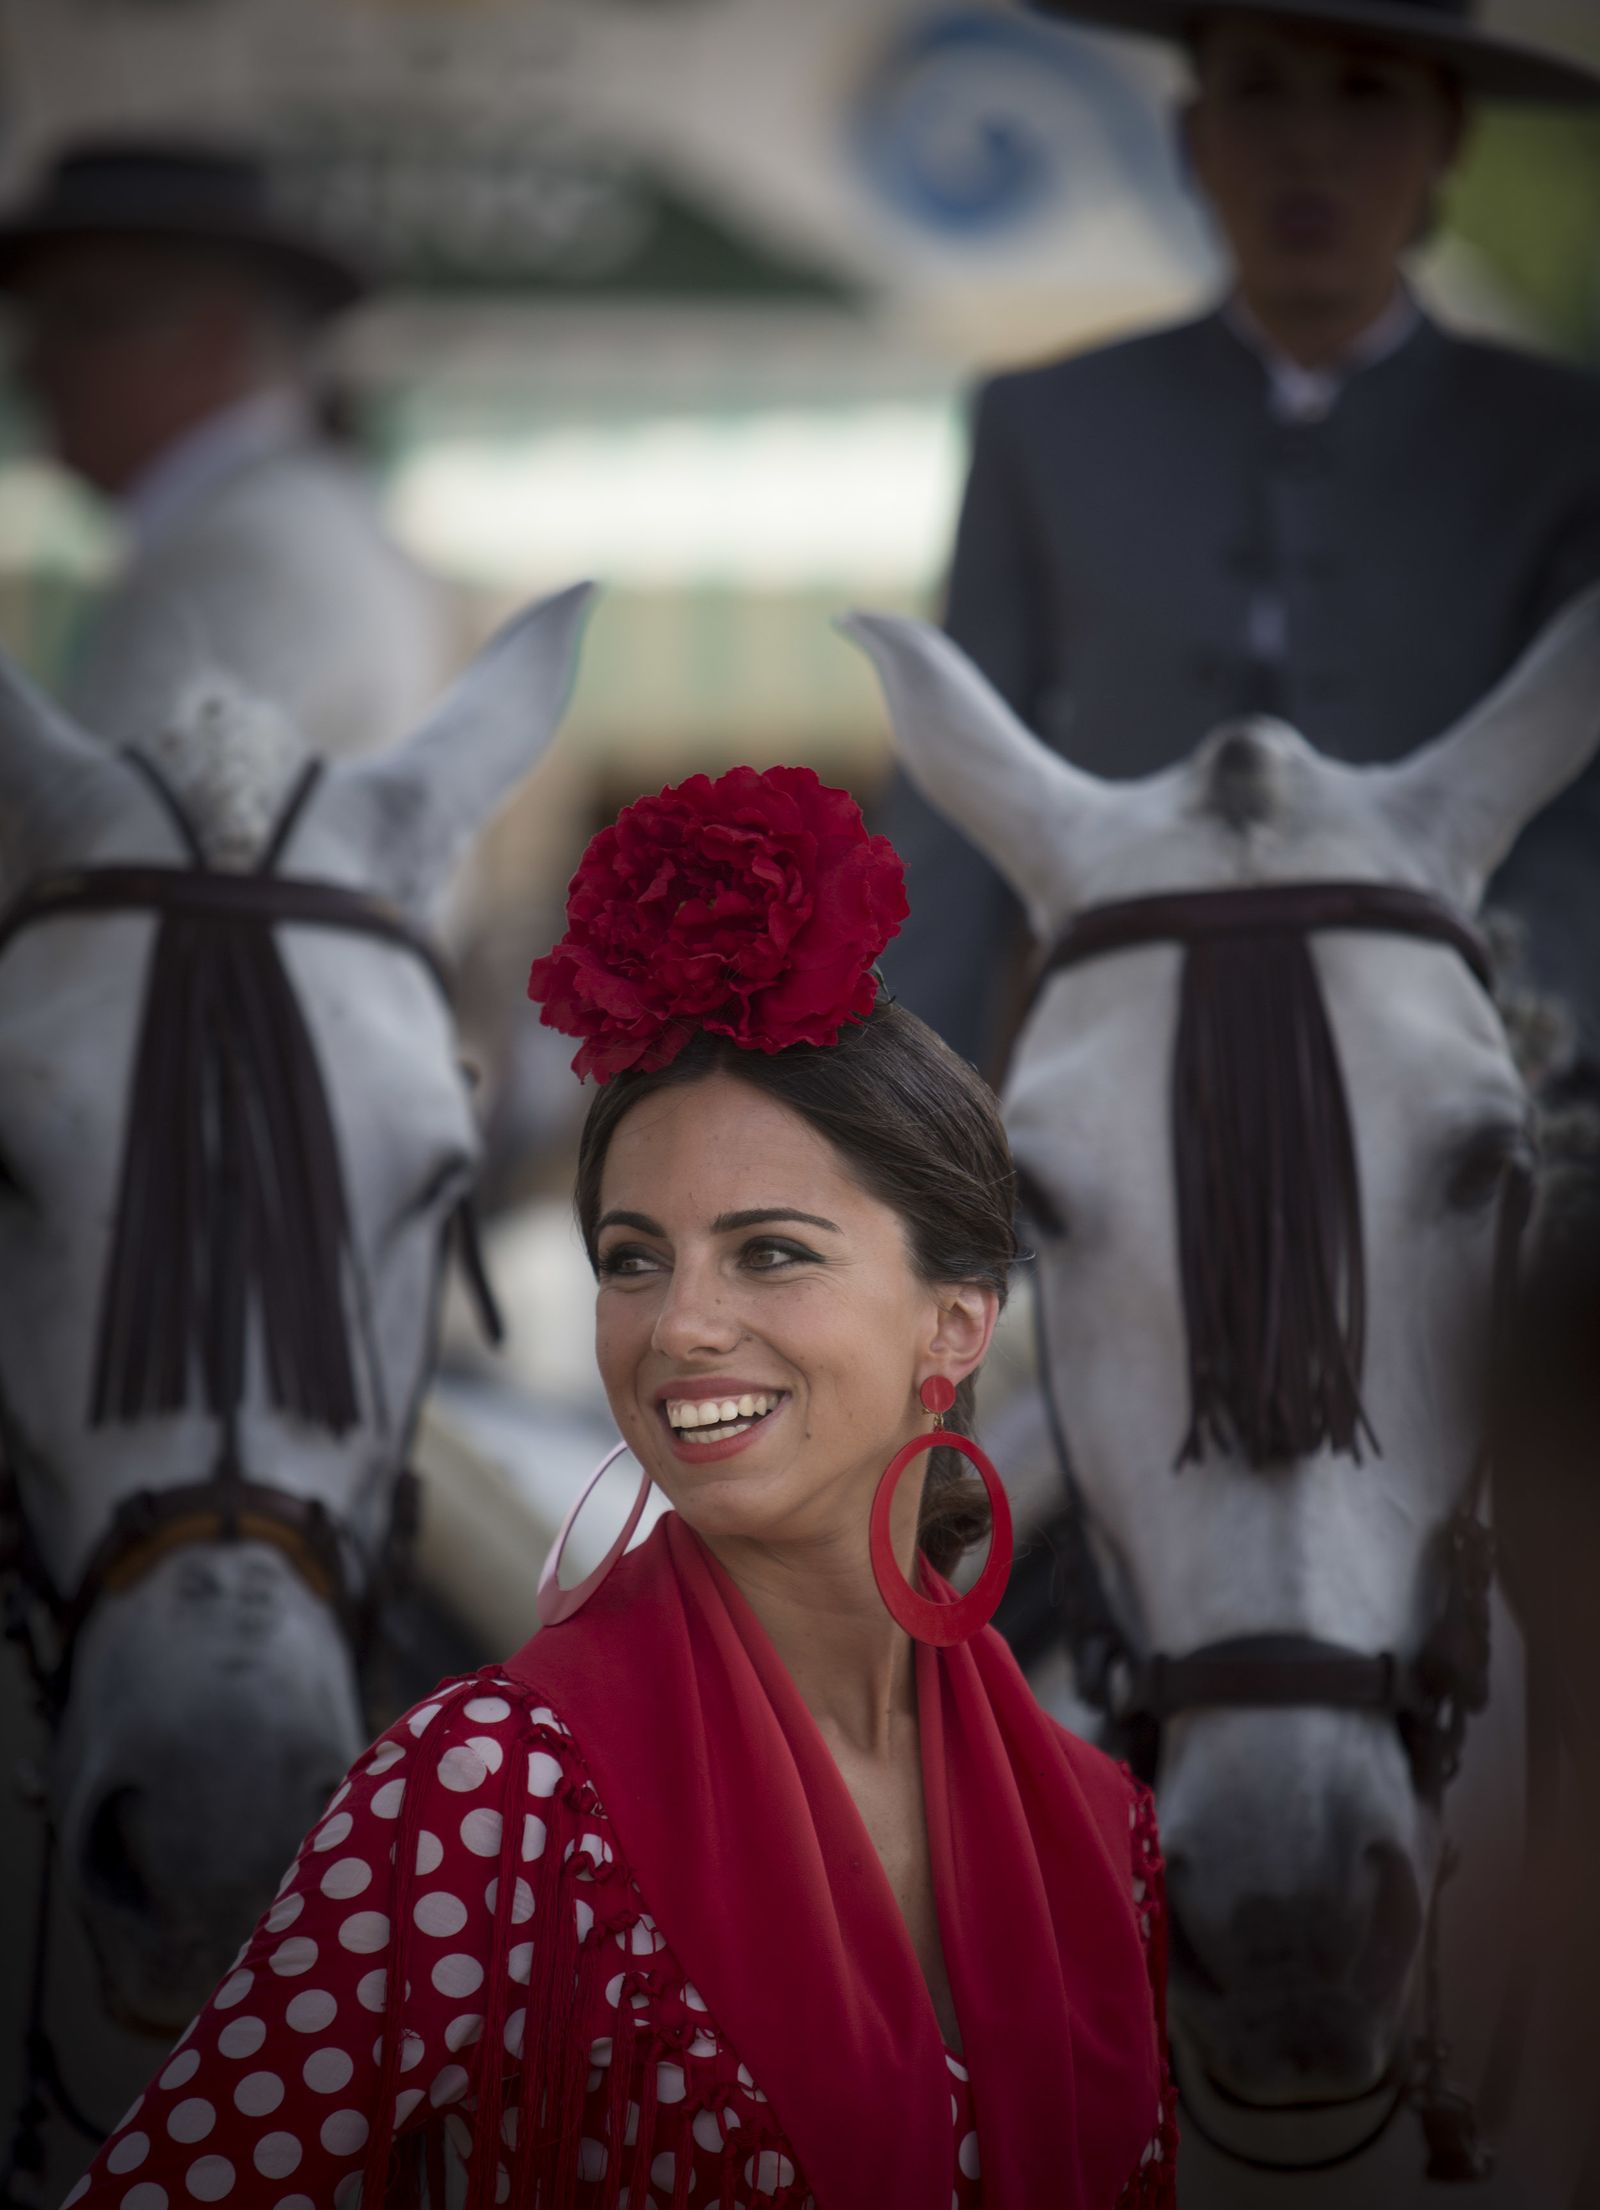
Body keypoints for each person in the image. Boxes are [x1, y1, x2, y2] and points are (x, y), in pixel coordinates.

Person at [61, 765, 1176, 2208]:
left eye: (771, 1250)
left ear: (955, 1323)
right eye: (634, 1257)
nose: (678, 1325)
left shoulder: (1104, 1831)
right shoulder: (489, 1796)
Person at [886, 0, 1600, 1071]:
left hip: (1452, 1067)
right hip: (1112, 1056)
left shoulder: (1559, 441)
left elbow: (1582, 804)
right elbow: (958, 791)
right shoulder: (1047, 422)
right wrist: (899, 1109)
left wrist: (1522, 1021)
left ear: (1446, 137)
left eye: (1365, 93)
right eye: (1260, 90)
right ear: (1193, 137)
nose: (1307, 146)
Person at [0, 139, 452, 760]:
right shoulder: (283, 525)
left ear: (210, 342)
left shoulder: (241, 562)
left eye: (80, 319)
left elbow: (122, 848)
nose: (31, 365)